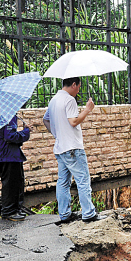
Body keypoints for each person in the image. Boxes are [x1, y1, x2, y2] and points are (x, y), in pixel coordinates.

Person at [43, 77, 106, 223]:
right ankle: (89, 214)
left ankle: (65, 214)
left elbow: (45, 120)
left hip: (60, 148)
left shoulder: (54, 100)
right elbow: (73, 121)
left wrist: (57, 134)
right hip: (73, 148)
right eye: (78, 87)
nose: (78, 90)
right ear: (73, 84)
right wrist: (87, 110)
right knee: (82, 180)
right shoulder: (69, 100)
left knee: (63, 182)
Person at [0, 115, 31, 221]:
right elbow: (10, 136)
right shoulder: (8, 115)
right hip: (7, 154)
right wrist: (26, 131)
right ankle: (9, 212)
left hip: (1, 153)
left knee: (16, 181)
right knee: (12, 183)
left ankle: (15, 209)